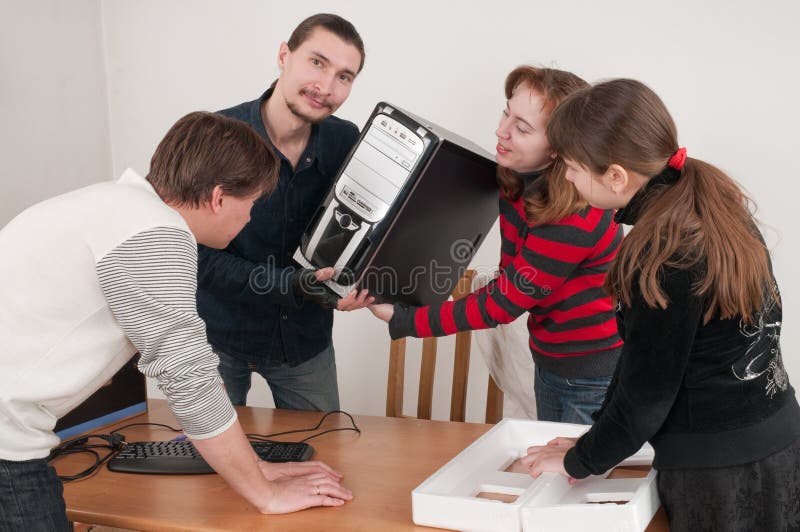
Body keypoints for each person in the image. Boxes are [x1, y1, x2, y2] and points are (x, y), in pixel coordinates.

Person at [0, 112, 353, 531]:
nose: (250, 220)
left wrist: (256, 467)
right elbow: (189, 380)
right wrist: (265, 492)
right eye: (252, 205)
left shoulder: (115, 206)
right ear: (219, 198)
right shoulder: (157, 232)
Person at [523, 79, 800, 530]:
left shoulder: (661, 255)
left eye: (572, 167)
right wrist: (589, 447)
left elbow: (645, 398)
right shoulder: (715, 206)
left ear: (615, 176)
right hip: (781, 439)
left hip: (720, 474)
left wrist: (579, 462)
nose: (566, 178)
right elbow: (644, 366)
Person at [369, 66, 624, 424]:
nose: (501, 131)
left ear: (558, 151)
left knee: (576, 476)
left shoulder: (577, 215)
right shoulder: (516, 182)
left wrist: (407, 318)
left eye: (522, 127)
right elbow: (509, 271)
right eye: (507, 112)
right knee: (554, 470)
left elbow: (505, 302)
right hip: (550, 360)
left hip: (592, 379)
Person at [196, 13, 372, 412]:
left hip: (304, 341)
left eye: (344, 77)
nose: (325, 87)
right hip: (217, 340)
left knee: (327, 459)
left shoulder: (346, 139)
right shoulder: (216, 135)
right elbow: (191, 253)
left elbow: (363, 229)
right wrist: (289, 284)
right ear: (283, 55)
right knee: (203, 467)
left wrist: (359, 282)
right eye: (317, 62)